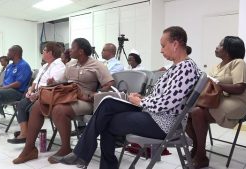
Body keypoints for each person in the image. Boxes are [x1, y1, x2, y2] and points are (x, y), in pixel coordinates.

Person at [55, 26, 202, 169]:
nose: (161, 50)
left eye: (163, 46)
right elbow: (165, 97)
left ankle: (85, 155)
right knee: (107, 103)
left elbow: (167, 103)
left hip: (164, 122)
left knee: (106, 121)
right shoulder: (178, 67)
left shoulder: (186, 68)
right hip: (155, 114)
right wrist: (142, 97)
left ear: (175, 44)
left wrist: (141, 101)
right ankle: (83, 154)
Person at [12, 38, 114, 164]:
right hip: (67, 95)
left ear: (81, 51)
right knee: (38, 105)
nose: (69, 49)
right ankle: (30, 149)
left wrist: (96, 93)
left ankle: (65, 148)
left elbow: (109, 83)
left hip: (85, 100)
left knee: (59, 109)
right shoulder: (70, 64)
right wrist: (54, 83)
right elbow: (63, 82)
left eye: (73, 47)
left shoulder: (97, 65)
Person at [185, 36, 246, 169]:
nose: (216, 47)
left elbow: (240, 87)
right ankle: (198, 148)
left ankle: (200, 155)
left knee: (197, 112)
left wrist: (219, 85)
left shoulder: (238, 63)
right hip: (217, 100)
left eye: (220, 45)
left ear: (228, 49)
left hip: (235, 102)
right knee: (185, 113)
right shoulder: (215, 67)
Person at [7, 42, 66, 144]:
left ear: (50, 53)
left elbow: (52, 86)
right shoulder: (45, 66)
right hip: (38, 94)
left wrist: (37, 94)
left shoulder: (59, 66)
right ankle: (25, 133)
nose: (42, 52)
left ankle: (30, 135)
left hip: (49, 96)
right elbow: (35, 82)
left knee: (31, 108)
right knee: (21, 104)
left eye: (43, 50)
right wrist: (30, 90)